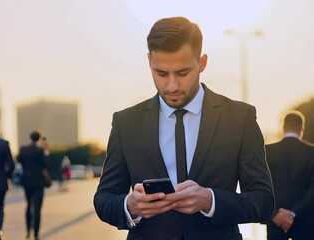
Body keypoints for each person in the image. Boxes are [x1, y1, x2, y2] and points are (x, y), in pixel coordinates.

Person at [93, 16, 274, 240]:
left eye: (182, 73)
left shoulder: (239, 118)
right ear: (149, 62)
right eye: (161, 74)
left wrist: (210, 200)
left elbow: (263, 201)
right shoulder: (126, 123)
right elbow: (104, 198)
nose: (172, 86)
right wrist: (130, 205)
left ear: (203, 62)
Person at [264, 111, 314, 240]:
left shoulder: (266, 151)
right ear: (302, 128)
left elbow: (261, 186)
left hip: (275, 221)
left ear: (283, 127)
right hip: (306, 221)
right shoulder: (311, 153)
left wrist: (275, 214)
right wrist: (293, 213)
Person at [18, 131, 51, 240]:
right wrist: (46, 151)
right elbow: (45, 164)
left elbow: (21, 162)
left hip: (26, 181)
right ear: (39, 138)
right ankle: (36, 234)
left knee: (28, 205)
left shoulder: (23, 149)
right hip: (38, 182)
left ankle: (28, 231)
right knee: (37, 208)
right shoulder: (40, 150)